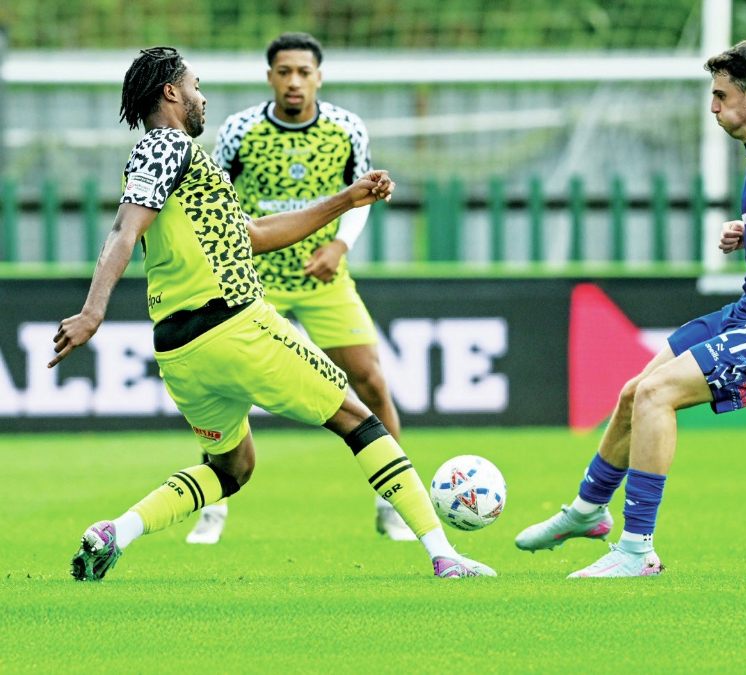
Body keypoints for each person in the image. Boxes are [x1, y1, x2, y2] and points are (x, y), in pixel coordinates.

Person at [57, 47, 493, 580]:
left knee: (234, 467)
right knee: (358, 419)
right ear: (171, 92)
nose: (202, 96)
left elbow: (256, 234)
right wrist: (92, 312)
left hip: (180, 350)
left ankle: (116, 532)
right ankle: (444, 555)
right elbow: (125, 230)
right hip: (235, 324)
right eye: (195, 85)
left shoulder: (182, 165)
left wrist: (346, 200)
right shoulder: (167, 145)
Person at [513, 40, 746, 577]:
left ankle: (637, 551)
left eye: (720, 95)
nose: (712, 107)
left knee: (657, 395)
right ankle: (587, 510)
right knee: (633, 393)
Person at [186, 32, 414, 544]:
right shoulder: (241, 130)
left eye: (303, 72)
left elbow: (362, 196)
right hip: (252, 280)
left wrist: (340, 247)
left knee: (371, 381)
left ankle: (393, 506)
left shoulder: (346, 129)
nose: (294, 81)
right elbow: (216, 197)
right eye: (284, 72)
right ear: (270, 76)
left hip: (323, 278)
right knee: (229, 391)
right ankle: (213, 506)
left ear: (319, 77)